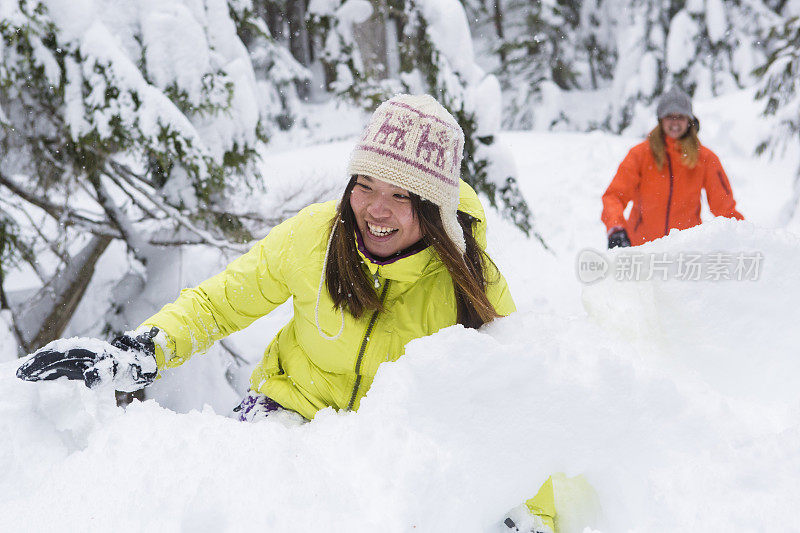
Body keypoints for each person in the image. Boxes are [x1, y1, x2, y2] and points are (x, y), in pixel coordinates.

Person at [16, 94, 559, 532]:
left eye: (401, 195)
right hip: (284, 413)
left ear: (435, 208)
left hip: (392, 450)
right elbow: (219, 302)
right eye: (364, 186)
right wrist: (142, 351)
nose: (375, 209)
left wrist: (533, 515)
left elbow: (517, 403)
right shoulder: (315, 237)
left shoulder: (469, 282)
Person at [601, 86, 744, 248]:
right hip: (641, 249)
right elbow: (614, 196)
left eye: (680, 117)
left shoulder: (705, 158)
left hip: (684, 251)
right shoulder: (640, 154)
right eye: (669, 116)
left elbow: (724, 208)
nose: (675, 123)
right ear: (661, 119)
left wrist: (742, 237)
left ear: (689, 120)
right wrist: (616, 228)